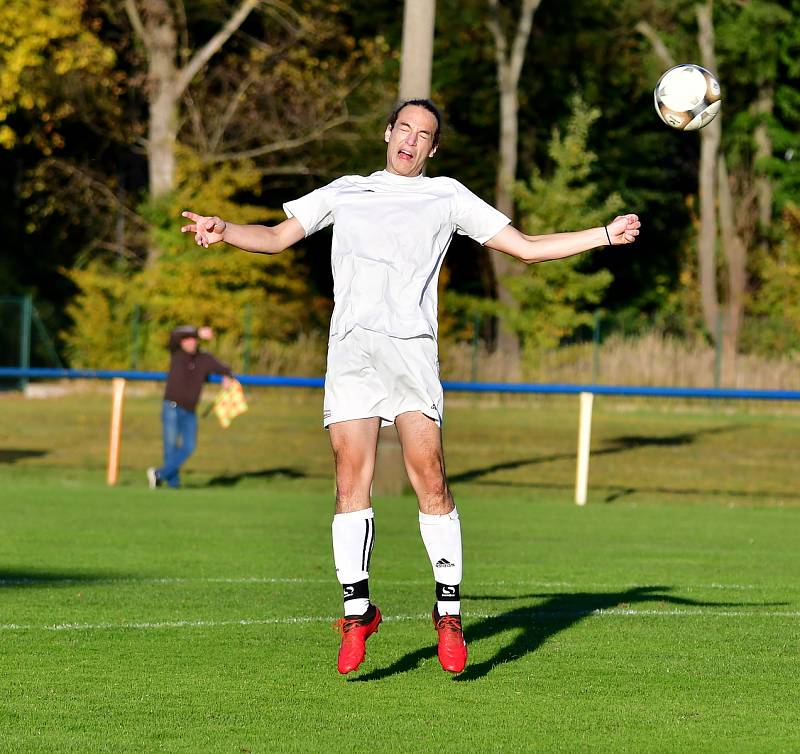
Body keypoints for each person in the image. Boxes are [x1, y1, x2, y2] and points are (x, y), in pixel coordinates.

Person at [180, 99, 641, 675]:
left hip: (411, 354)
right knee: (352, 478)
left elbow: (524, 248)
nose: (411, 141)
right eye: (404, 129)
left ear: (432, 148)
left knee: (430, 476)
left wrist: (604, 234)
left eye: (424, 135)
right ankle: (357, 612)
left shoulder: (445, 196)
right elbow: (276, 238)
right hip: (351, 352)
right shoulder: (347, 190)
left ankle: (448, 611)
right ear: (388, 133)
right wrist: (225, 231)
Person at [147, 325, 234, 489]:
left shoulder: (204, 359)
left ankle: (159, 474)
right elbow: (174, 333)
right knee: (170, 447)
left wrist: (227, 376)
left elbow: (225, 368)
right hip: (171, 406)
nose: (191, 342)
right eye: (188, 339)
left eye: (194, 339)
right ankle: (173, 485)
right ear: (182, 342)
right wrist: (198, 331)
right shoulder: (177, 353)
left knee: (189, 446)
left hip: (190, 411)